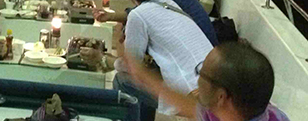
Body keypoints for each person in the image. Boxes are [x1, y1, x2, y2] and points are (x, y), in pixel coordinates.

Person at [80, 0, 213, 121]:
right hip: (214, 84)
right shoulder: (169, 3)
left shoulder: (138, 15)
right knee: (148, 75)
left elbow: (130, 67)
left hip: (193, 96)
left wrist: (102, 58)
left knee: (122, 80)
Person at [122, 42, 291, 121]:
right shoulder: (235, 110)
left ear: (221, 96)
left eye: (202, 74)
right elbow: (185, 104)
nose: (198, 80)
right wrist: (141, 73)